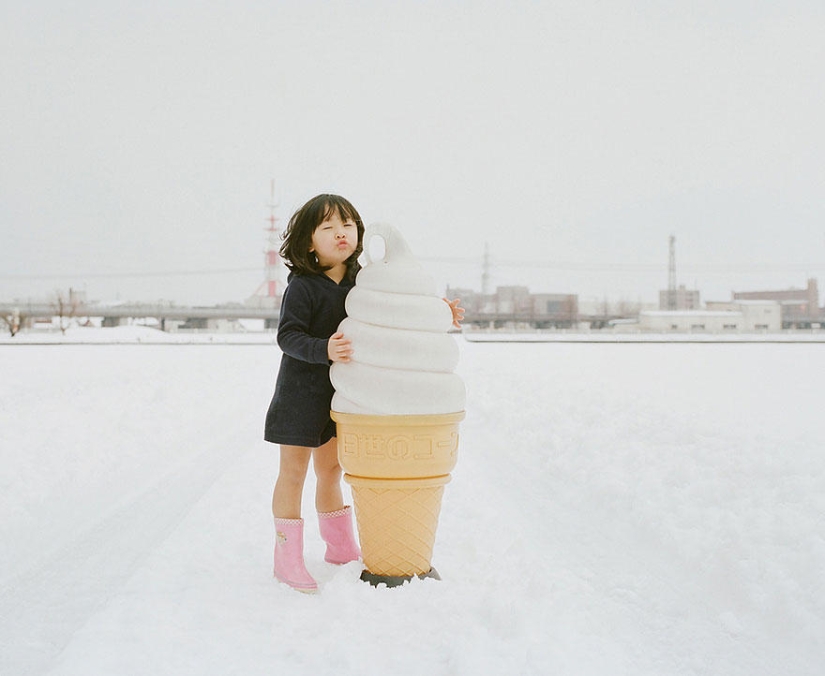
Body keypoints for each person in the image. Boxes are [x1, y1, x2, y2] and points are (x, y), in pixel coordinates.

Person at [264, 193, 463, 592]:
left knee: (331, 471)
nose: (341, 233)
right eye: (328, 227)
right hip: (300, 394)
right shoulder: (303, 287)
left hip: (345, 397)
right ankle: (286, 558)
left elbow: (391, 308)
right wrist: (323, 348)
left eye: (348, 225)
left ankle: (339, 548)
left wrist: (438, 311)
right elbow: (287, 336)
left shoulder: (363, 281)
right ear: (308, 242)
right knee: (293, 473)